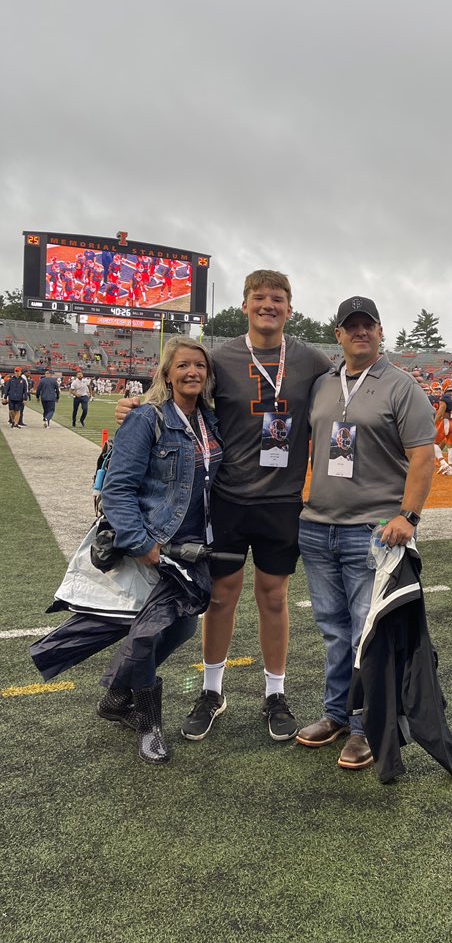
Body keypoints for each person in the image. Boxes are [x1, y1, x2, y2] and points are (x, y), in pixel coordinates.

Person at [117, 271, 331, 744]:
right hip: (227, 499)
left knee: (274, 597)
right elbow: (181, 392)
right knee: (220, 596)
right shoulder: (221, 358)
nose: (268, 305)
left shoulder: (312, 359)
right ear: (245, 305)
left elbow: (343, 397)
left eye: (277, 299)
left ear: (290, 308)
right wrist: (139, 405)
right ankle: (212, 691)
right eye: (259, 298)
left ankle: (275, 694)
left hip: (282, 502)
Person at [31, 336, 223, 764]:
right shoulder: (146, 419)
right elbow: (117, 490)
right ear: (166, 374)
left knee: (182, 629)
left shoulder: (210, 420)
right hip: (155, 544)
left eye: (199, 365)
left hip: (194, 547)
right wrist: (140, 543)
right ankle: (148, 723)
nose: (192, 372)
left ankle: (117, 697)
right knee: (148, 633)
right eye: (183, 365)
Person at [295, 296, 436, 770]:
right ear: (337, 334)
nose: (360, 332)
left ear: (379, 331)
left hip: (372, 531)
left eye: (367, 325)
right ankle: (336, 714)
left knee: (366, 634)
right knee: (333, 632)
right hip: (318, 527)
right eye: (350, 326)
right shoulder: (322, 385)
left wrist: (409, 516)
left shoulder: (401, 386)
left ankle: (365, 727)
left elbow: (423, 457)